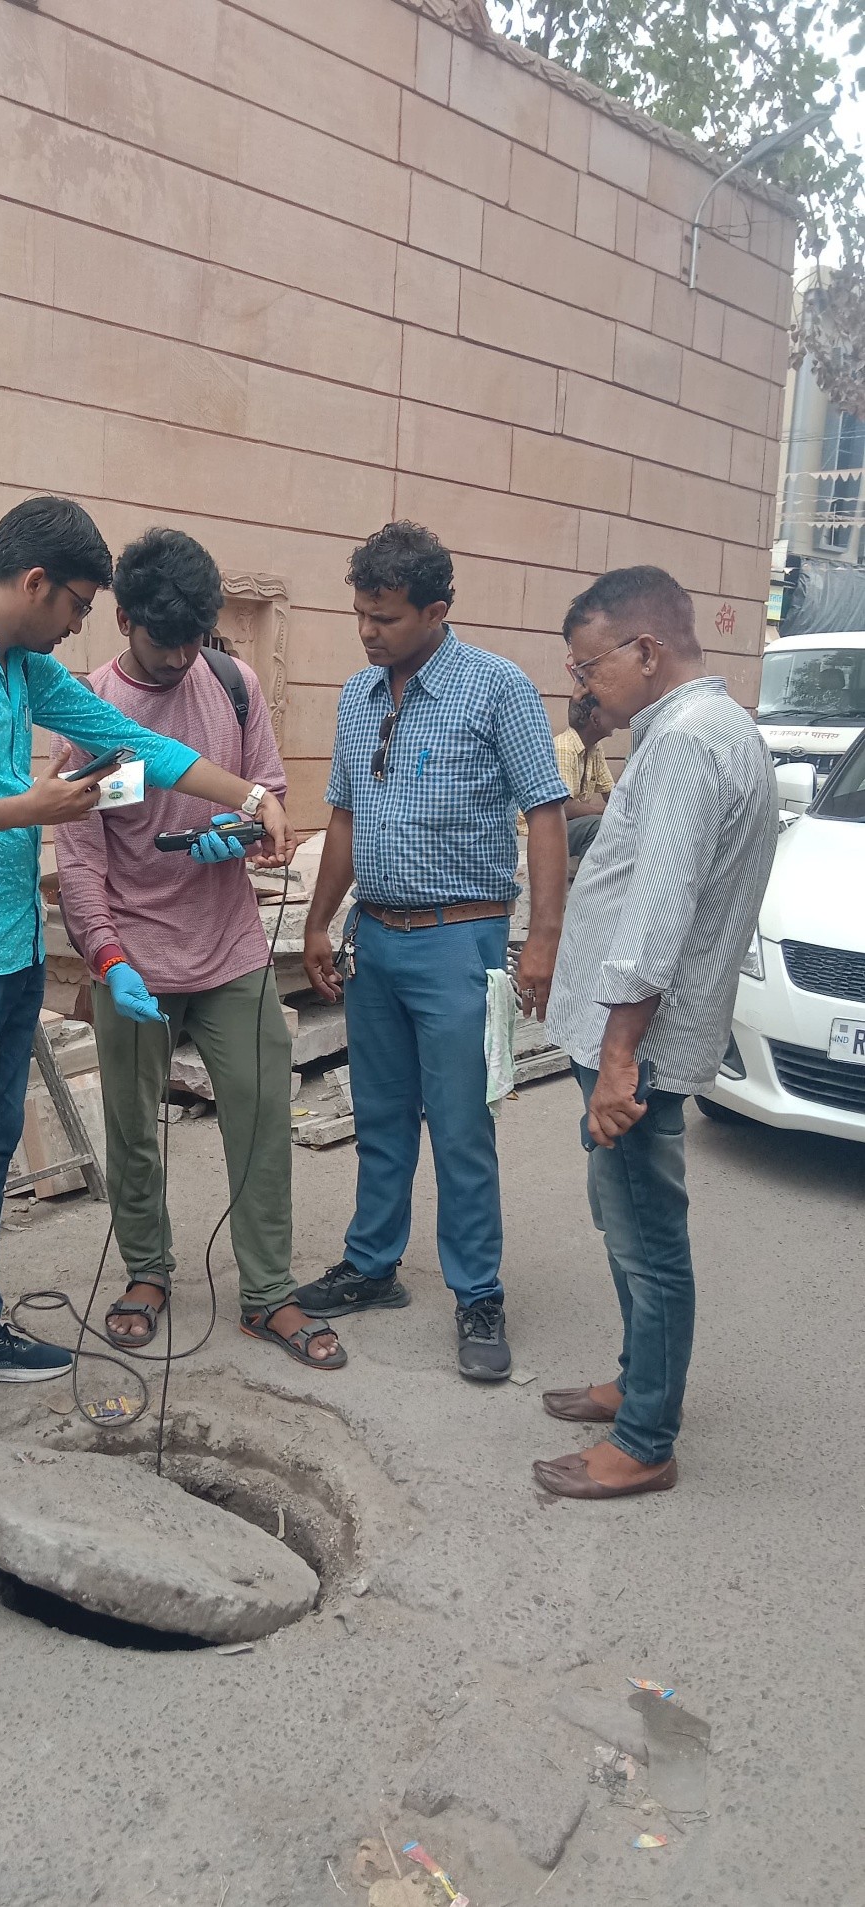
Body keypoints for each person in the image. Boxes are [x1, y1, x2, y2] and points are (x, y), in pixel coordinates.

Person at [0, 497, 294, 1491]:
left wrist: (248, 799)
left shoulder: (20, 666)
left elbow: (133, 745)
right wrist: (30, 807)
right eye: (78, 604)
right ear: (37, 582)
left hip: (8, 948)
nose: (79, 626)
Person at [55, 528, 343, 1371]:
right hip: (132, 958)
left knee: (260, 1118)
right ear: (121, 619)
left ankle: (268, 1292)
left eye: (196, 637)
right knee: (132, 1126)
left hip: (231, 950)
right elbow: (80, 851)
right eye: (164, 639)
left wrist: (249, 833)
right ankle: (146, 1271)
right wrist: (107, 956)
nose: (183, 655)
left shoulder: (232, 682)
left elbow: (273, 798)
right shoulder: (90, 710)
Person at [297, 520, 569, 1380]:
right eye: (360, 614)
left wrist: (543, 942)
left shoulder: (497, 690)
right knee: (379, 1119)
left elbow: (546, 814)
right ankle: (374, 1264)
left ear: (436, 609)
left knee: (460, 1127)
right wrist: (317, 919)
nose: (368, 631)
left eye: (385, 616)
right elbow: (343, 815)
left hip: (463, 939)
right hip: (376, 938)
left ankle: (477, 1291)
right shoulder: (357, 695)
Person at [535, 566, 775, 1499]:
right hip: (639, 1037)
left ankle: (645, 1438)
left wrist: (619, 1056)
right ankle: (638, 1379)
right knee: (625, 1215)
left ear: (646, 650)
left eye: (590, 666)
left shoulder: (683, 746)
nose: (583, 685)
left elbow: (659, 910)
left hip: (638, 1045)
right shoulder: (713, 728)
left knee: (646, 1238)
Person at [556, 689, 617, 863]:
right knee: (597, 826)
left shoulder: (595, 748)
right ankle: (587, 887)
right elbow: (564, 808)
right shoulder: (564, 748)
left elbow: (611, 794)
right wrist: (608, 812)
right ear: (595, 719)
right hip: (546, 830)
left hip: (568, 826)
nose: (614, 715)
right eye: (608, 710)